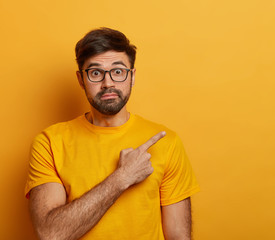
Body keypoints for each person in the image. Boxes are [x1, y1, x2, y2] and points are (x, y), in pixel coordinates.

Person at [25, 27, 200, 240]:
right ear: (81, 80)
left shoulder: (166, 142)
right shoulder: (50, 142)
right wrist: (122, 178)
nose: (108, 83)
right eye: (96, 73)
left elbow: (179, 237)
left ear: (132, 76)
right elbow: (50, 234)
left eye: (118, 71)